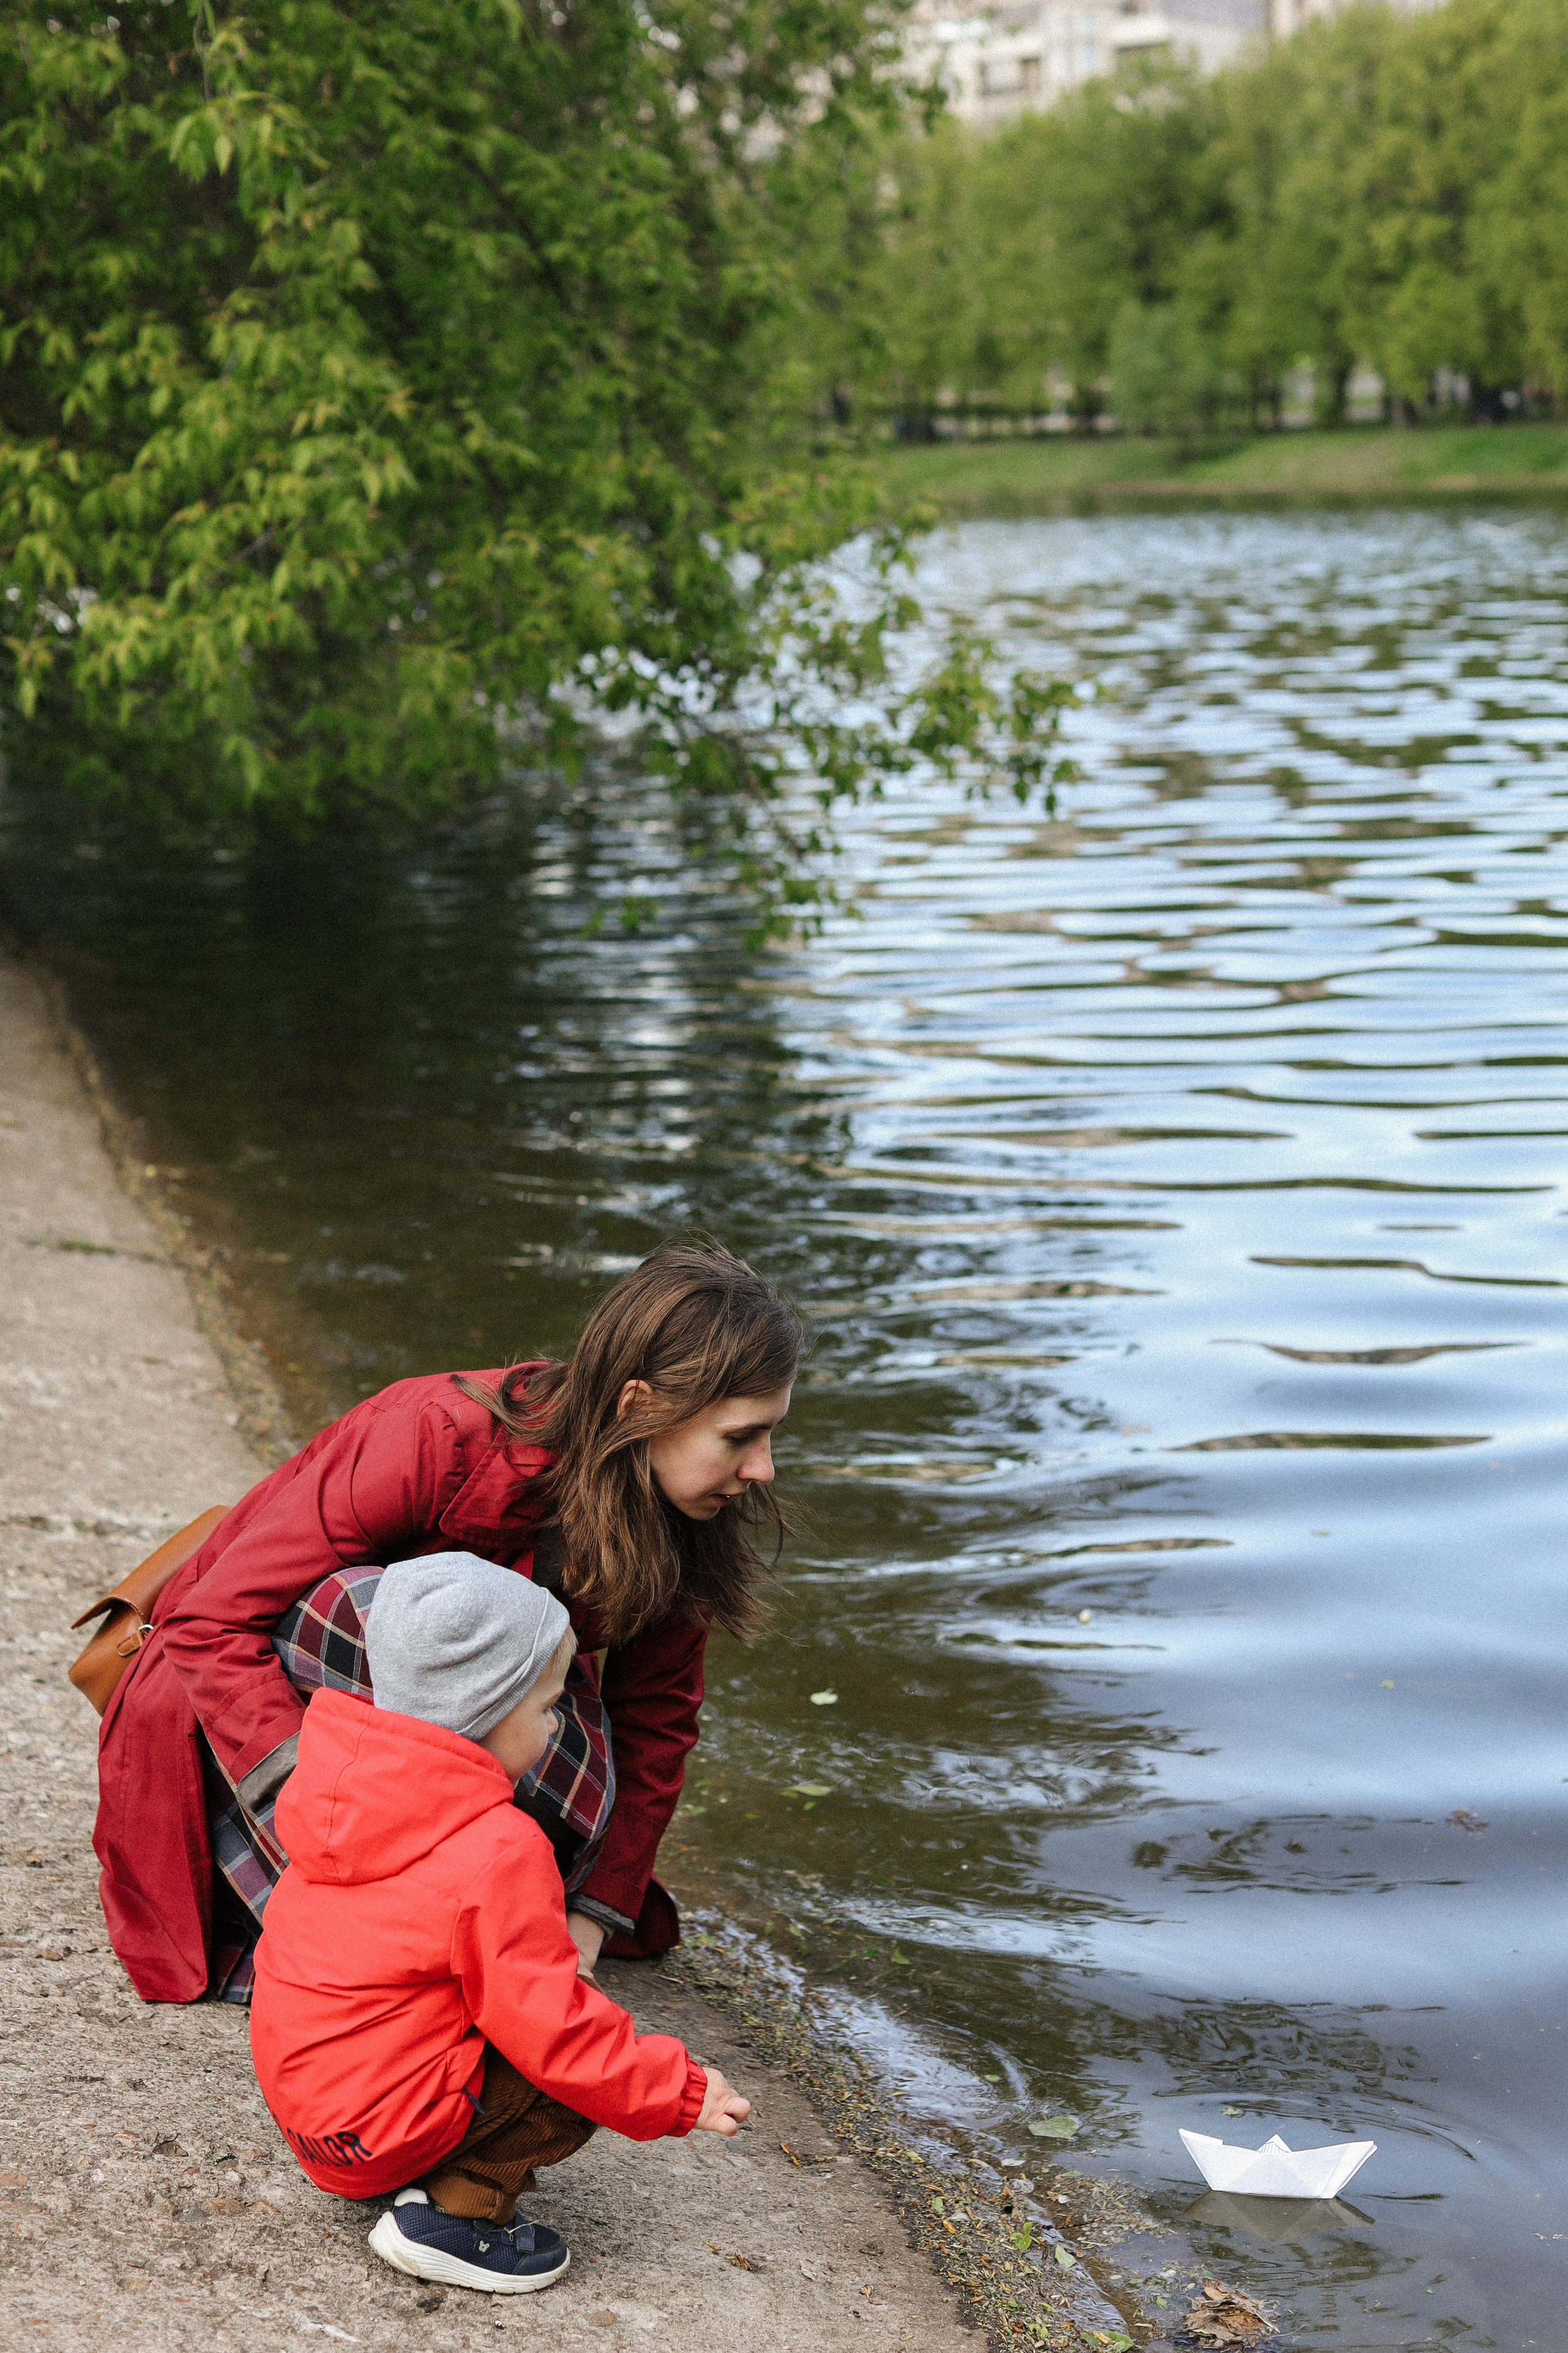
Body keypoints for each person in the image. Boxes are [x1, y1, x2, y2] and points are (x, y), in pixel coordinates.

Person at [92, 1242, 799, 2004]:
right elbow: (208, 1622)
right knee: (396, 1613)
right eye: (738, 1438)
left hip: (416, 1751)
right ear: (638, 1407)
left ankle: (446, 1910)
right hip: (248, 1741)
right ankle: (369, 1907)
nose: (763, 1468)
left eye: (770, 1435)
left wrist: (586, 1924)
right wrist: (316, 1811)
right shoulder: (437, 1433)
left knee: (547, 1681)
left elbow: (653, 1721)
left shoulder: (688, 1510)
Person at [251, 1550, 750, 2295]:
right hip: (378, 2139)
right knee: (570, 2069)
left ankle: (410, 2163)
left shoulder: (334, 1784)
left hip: (314, 2120)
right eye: (547, 1706)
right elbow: (552, 2025)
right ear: (489, 1708)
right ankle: (453, 2217)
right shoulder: (497, 1846)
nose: (553, 1731)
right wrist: (675, 2090)